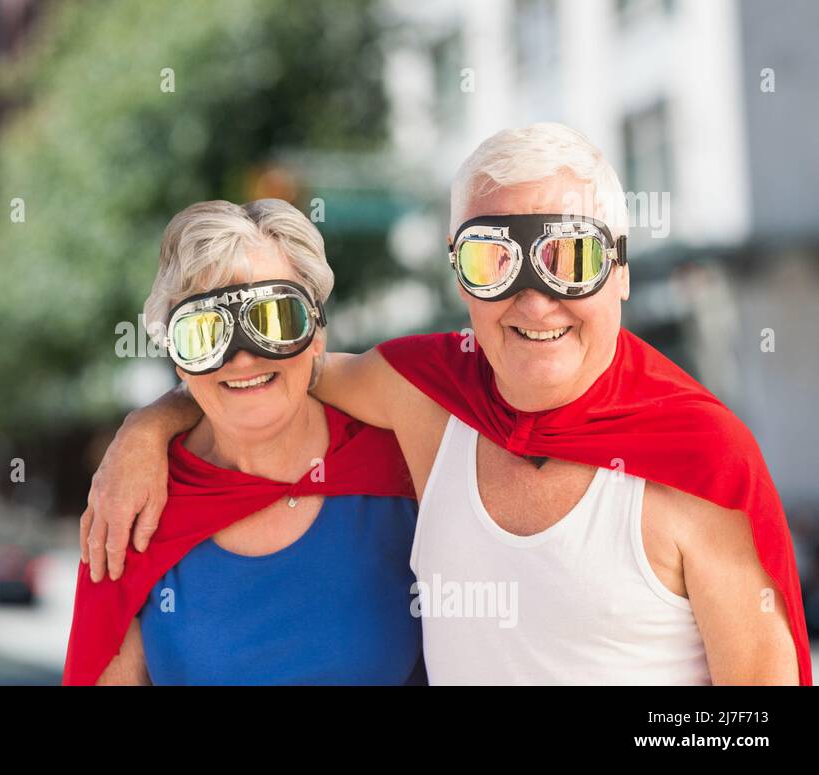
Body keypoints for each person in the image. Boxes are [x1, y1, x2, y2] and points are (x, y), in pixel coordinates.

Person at [80, 123, 811, 685]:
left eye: (573, 258)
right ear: (462, 281)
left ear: (619, 270)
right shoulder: (428, 399)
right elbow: (262, 371)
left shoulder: (701, 462)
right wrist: (147, 426)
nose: (536, 295)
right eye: (494, 259)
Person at [63, 199, 422, 685]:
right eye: (206, 332)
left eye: (275, 319)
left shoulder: (404, 461)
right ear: (177, 358)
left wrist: (146, 424)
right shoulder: (132, 511)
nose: (243, 357)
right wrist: (144, 427)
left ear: (317, 331)